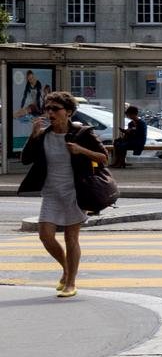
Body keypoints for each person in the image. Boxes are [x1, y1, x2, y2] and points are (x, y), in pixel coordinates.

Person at [18, 91, 109, 297]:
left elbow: (104, 157)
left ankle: (71, 283)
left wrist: (80, 150)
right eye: (47, 108)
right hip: (51, 191)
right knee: (45, 236)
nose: (50, 112)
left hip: (75, 192)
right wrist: (33, 136)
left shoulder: (82, 134)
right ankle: (67, 269)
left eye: (55, 109)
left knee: (71, 238)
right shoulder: (43, 135)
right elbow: (25, 160)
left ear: (68, 112)